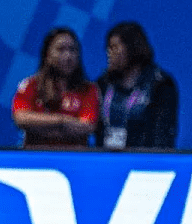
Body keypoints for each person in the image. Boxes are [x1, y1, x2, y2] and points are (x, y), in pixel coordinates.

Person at [95, 21, 178, 149]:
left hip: (144, 161)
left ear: (132, 47)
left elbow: (163, 133)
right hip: (107, 159)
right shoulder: (103, 83)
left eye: (114, 47)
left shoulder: (160, 84)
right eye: (108, 48)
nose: (109, 53)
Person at [12, 27, 99, 148]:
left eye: (72, 50)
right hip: (36, 158)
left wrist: (39, 127)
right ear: (47, 54)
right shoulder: (30, 85)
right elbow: (21, 118)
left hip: (74, 159)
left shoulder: (89, 89)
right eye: (61, 49)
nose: (68, 56)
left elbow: (87, 126)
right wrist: (62, 120)